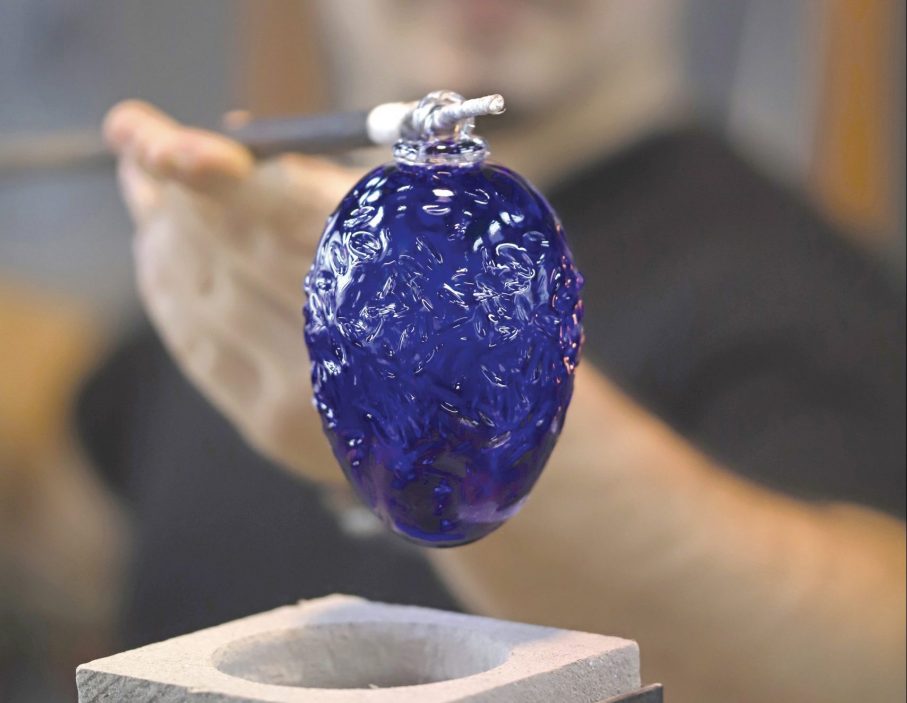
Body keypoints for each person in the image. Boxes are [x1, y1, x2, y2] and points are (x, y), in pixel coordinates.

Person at [88, 2, 905, 701]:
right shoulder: (233, 249)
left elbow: (871, 659)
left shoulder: (807, 292)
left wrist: (443, 417)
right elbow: (75, 538)